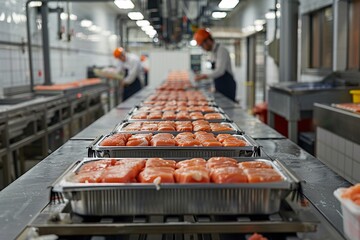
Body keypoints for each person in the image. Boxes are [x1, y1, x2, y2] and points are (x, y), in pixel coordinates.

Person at [193, 28, 237, 102]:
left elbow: (220, 71)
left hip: (227, 86)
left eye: (202, 46)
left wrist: (204, 76)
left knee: (227, 108)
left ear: (207, 41)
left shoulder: (221, 50)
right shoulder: (213, 52)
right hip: (219, 86)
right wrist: (213, 86)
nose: (203, 48)